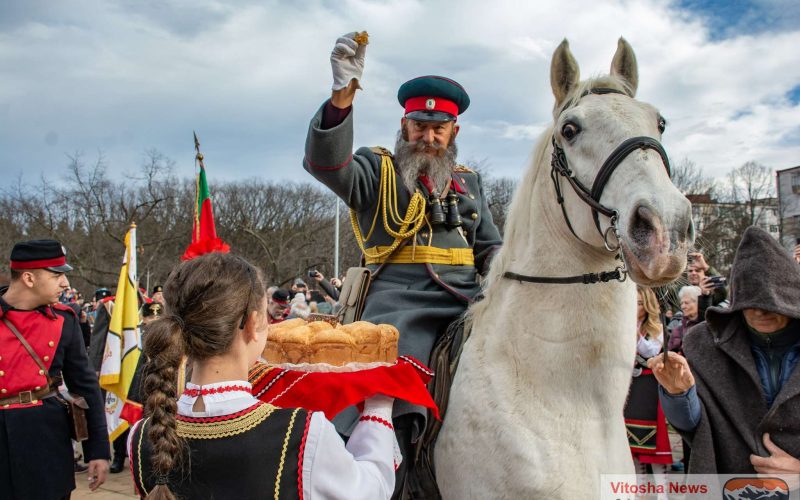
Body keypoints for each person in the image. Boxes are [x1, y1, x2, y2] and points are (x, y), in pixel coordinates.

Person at [303, 32, 502, 494]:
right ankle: (397, 472)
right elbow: (326, 165)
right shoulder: (378, 172)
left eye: (439, 129)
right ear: (403, 125)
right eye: (419, 126)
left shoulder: (470, 184)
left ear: (455, 133)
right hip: (399, 304)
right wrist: (341, 99)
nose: (428, 138)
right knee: (397, 368)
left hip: (469, 301)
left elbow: (490, 249)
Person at [129, 252, 398, 499]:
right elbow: (371, 490)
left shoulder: (141, 437)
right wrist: (378, 409)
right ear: (251, 325)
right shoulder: (302, 433)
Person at [650, 226, 800, 475]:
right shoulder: (706, 345)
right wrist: (679, 395)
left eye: (770, 304)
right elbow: (697, 428)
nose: (760, 312)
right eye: (751, 304)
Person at [0, 239, 110, 498]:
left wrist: (99, 451)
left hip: (46, 444)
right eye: (56, 274)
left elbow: (86, 388)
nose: (65, 284)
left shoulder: (64, 320)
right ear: (28, 278)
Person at [110, 301, 164, 474]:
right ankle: (119, 455)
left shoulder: (164, 335)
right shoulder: (132, 333)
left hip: (148, 384)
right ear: (144, 317)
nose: (154, 320)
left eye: (158, 316)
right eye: (151, 316)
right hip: (125, 381)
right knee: (122, 422)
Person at [624, 287, 672, 484]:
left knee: (654, 443)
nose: (636, 307)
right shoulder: (625, 324)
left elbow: (651, 350)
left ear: (648, 306)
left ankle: (663, 493)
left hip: (649, 384)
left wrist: (634, 333)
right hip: (631, 384)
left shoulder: (656, 327)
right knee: (632, 443)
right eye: (633, 302)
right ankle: (639, 490)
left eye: (639, 303)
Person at [686, 251, 727, 319]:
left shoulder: (711, 293)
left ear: (704, 274)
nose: (693, 273)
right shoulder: (680, 291)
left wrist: (706, 267)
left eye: (697, 270)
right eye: (690, 271)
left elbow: (723, 292)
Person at [667, 285, 702, 353]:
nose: (683, 306)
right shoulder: (677, 330)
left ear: (698, 303)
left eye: (686, 303)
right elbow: (670, 354)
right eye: (681, 303)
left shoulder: (706, 325)